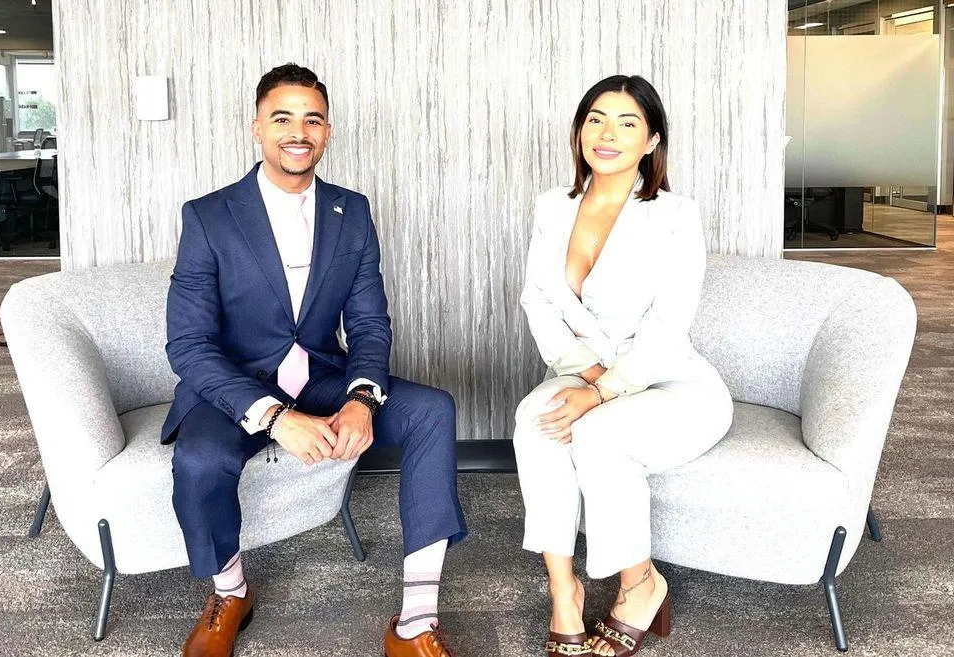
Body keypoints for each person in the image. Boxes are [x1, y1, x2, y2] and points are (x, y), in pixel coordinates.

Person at [162, 63, 467, 657]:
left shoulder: (351, 210)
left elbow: (369, 322)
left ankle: (415, 620)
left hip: (322, 377)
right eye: (282, 118)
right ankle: (230, 592)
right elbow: (188, 344)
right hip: (233, 386)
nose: (298, 132)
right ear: (257, 127)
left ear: (327, 131)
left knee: (432, 410)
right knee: (200, 460)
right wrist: (276, 418)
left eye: (313, 119)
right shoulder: (209, 215)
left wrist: (362, 398)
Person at [513, 75, 733, 657]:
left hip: (671, 380)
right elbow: (538, 300)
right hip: (583, 368)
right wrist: (583, 374)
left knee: (598, 433)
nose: (607, 134)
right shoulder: (552, 206)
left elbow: (670, 322)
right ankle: (564, 591)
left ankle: (641, 584)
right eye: (596, 119)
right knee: (536, 420)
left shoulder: (675, 214)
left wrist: (604, 391)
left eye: (627, 123)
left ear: (652, 140)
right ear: (579, 131)